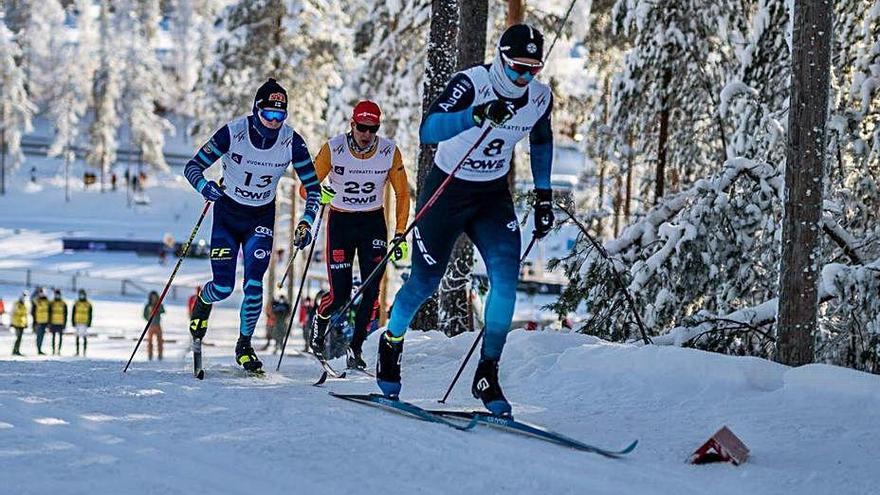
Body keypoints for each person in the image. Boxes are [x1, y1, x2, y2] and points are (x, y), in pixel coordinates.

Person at [375, 24, 555, 416]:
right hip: (448, 189)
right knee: (425, 282)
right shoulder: (473, 82)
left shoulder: (539, 98)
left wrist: (544, 196)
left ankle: (487, 371)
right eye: (516, 68)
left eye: (532, 69)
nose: (524, 77)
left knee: (506, 280)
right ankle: (391, 342)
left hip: (491, 196)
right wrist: (475, 115)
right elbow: (429, 129)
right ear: (499, 58)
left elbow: (541, 141)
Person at [183, 78, 321, 372]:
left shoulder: (291, 141)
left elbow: (313, 188)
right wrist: (204, 186)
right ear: (256, 110)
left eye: (280, 116)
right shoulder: (233, 133)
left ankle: (244, 345)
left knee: (255, 285)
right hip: (227, 215)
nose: (273, 122)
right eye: (268, 114)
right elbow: (192, 167)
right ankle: (203, 303)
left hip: (260, 218)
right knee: (222, 286)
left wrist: (307, 221)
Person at [305, 101, 411, 370]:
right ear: (352, 125)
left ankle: (356, 347)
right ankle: (320, 321)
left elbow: (402, 194)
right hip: (341, 223)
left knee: (371, 290)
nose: (366, 134)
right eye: (362, 128)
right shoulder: (334, 148)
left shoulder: (389, 151)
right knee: (340, 296)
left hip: (372, 222)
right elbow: (306, 188)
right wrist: (321, 194)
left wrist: (400, 232)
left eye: (372, 128)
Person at [143, 291, 164, 360]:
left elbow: (163, 311)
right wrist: (148, 318)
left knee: (160, 341)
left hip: (158, 325)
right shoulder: (148, 306)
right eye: (152, 297)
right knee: (149, 341)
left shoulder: (159, 305)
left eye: (155, 297)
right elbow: (144, 315)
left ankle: (160, 355)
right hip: (151, 326)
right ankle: (150, 355)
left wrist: (157, 309)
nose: (154, 298)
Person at [72, 289, 93, 356]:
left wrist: (89, 322)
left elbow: (90, 314)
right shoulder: (76, 303)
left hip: (84, 323)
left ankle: (84, 352)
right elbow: (73, 313)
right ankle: (77, 351)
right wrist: (73, 321)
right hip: (77, 322)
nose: (82, 296)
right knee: (77, 337)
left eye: (83, 294)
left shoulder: (88, 304)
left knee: (84, 337)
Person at [48, 289, 68, 355]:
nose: (57, 296)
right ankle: (53, 350)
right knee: (53, 337)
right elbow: (49, 313)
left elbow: (65, 314)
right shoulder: (52, 303)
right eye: (56, 294)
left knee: (60, 337)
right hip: (53, 322)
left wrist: (65, 323)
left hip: (60, 323)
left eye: (58, 294)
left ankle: (59, 350)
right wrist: (49, 323)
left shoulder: (63, 303)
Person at [32, 288, 50, 355]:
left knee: (42, 336)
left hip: (45, 322)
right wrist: (36, 291)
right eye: (40, 292)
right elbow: (32, 299)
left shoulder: (47, 301)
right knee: (39, 336)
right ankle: (38, 349)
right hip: (38, 322)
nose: (42, 294)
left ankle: (40, 349)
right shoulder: (37, 301)